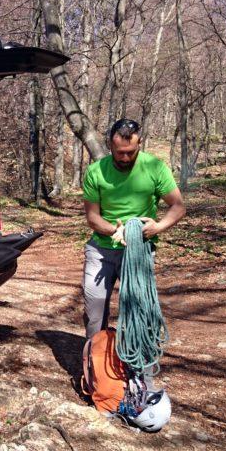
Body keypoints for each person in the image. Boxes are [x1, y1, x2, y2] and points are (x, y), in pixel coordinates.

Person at [81, 119, 186, 339]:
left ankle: (140, 369)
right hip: (101, 250)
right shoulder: (95, 171)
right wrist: (114, 231)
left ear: (140, 144)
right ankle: (95, 364)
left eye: (131, 152)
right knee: (94, 311)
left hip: (138, 252)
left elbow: (177, 207)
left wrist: (157, 227)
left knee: (140, 312)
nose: (126, 158)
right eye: (120, 153)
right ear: (110, 145)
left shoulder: (155, 167)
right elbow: (92, 217)